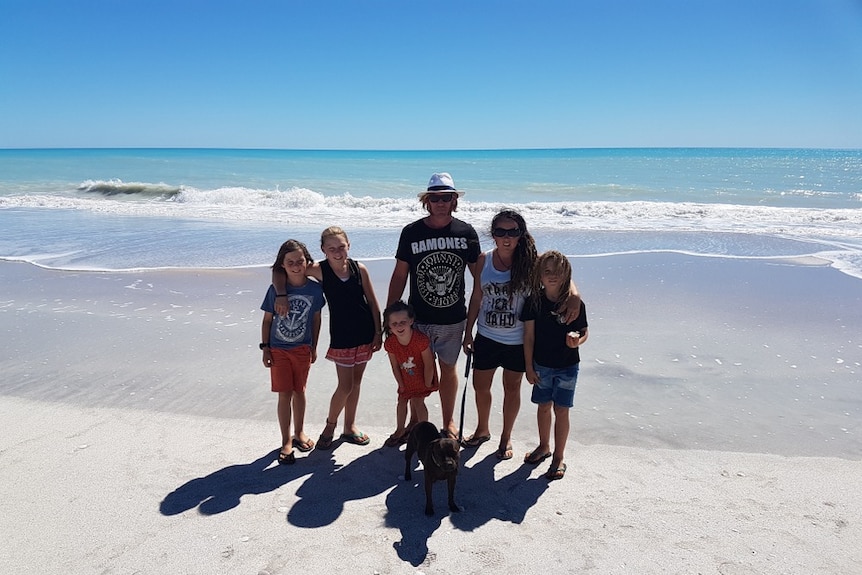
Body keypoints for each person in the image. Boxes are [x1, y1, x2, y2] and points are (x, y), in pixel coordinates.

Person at [462, 210, 581, 460]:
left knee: (512, 389)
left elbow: (558, 273)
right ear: (493, 235)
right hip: (486, 335)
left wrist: (575, 295)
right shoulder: (483, 260)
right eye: (501, 232)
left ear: (521, 234)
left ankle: (506, 438)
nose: (507, 237)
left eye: (513, 232)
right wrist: (468, 331)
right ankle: (483, 430)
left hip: (517, 339)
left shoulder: (532, 261)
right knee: (480, 387)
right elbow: (476, 297)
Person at [387, 172, 480, 439]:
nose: (440, 202)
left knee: (448, 368)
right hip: (419, 318)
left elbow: (480, 278)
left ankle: (449, 422)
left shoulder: (466, 232)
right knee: (414, 369)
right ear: (427, 201)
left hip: (453, 318)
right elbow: (399, 275)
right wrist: (390, 314)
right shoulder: (412, 232)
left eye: (446, 198)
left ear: (454, 201)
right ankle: (417, 422)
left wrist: (476, 322)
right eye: (435, 198)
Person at [272, 227, 382, 449]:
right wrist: (281, 295)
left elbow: (371, 301)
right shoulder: (318, 270)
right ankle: (330, 425)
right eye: (331, 248)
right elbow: (280, 270)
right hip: (342, 335)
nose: (337, 252)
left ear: (348, 245)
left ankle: (349, 426)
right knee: (345, 385)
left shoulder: (359, 268)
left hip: (365, 331)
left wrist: (378, 331)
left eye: (341, 246)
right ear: (323, 250)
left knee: (356, 383)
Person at [521, 250, 588, 481]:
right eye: (547, 271)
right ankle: (543, 446)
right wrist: (528, 367)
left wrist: (576, 341)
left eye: (557, 272)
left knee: (561, 410)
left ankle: (559, 456)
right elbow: (528, 337)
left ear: (566, 274)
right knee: (543, 406)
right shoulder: (533, 301)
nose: (552, 276)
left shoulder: (574, 303)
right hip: (541, 365)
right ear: (539, 275)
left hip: (568, 365)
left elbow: (584, 333)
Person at [260, 239, 325, 465]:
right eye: (290, 262)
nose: (296, 266)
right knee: (284, 394)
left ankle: (299, 433)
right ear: (283, 265)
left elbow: (316, 319)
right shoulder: (275, 290)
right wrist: (265, 348)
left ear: (307, 262)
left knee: (300, 391)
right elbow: (267, 320)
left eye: (300, 261)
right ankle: (286, 440)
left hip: (302, 348)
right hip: (279, 349)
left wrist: (314, 346)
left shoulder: (315, 290)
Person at [382, 300, 438, 447]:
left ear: (411, 321)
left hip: (422, 377)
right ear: (389, 325)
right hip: (405, 379)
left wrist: (427, 383)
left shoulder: (420, 340)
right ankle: (400, 430)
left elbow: (429, 363)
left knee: (418, 402)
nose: (399, 326)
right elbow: (394, 366)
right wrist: (400, 384)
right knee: (401, 402)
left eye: (403, 322)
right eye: (394, 323)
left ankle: (425, 433)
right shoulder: (390, 343)